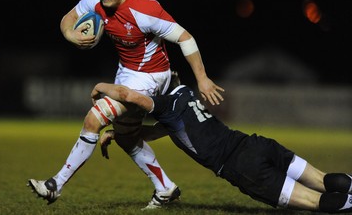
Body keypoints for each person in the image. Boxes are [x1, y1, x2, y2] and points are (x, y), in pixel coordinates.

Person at [28, 0, 224, 210]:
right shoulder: (94, 0)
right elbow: (68, 17)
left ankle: (55, 185)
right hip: (126, 73)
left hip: (152, 75)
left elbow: (186, 38)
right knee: (126, 138)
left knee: (93, 119)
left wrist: (203, 79)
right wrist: (71, 35)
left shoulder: (146, 10)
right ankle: (165, 187)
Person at [89, 80, 352, 213]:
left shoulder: (164, 106)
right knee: (323, 179)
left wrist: (101, 86)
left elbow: (126, 95)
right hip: (256, 144)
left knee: (314, 201)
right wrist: (117, 133)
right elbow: (155, 132)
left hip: (242, 166)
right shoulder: (184, 94)